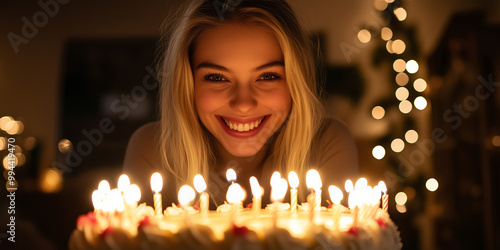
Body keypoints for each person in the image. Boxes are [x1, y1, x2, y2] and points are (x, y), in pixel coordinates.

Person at [123, 0, 358, 209]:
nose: (243, 104)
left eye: (267, 76)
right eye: (217, 78)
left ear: (295, 82)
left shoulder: (327, 142)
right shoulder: (151, 149)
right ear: (188, 85)